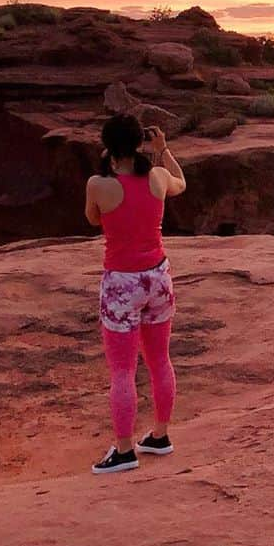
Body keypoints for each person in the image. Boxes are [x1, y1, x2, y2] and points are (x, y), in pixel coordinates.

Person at [84, 115, 187, 474]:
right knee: (160, 360)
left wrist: (108, 163)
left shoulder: (98, 184)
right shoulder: (157, 177)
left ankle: (125, 451)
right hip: (158, 277)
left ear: (110, 145)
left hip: (121, 283)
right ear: (141, 142)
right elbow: (181, 183)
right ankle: (160, 436)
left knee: (123, 369)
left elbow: (93, 219)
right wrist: (163, 151)